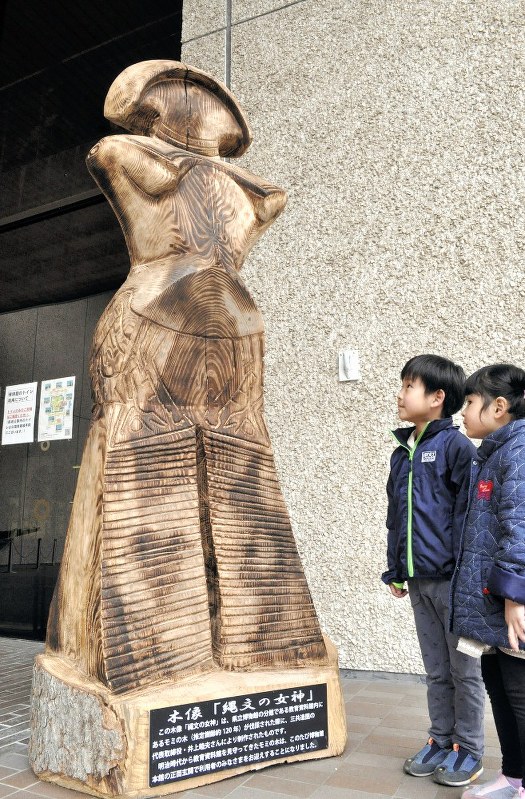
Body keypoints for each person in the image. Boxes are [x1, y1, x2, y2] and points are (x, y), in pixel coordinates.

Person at [382, 354, 485, 787]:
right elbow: (396, 515)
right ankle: (441, 739)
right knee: (436, 669)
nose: (401, 394)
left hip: (452, 581)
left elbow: (470, 517)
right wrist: (396, 570)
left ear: (437, 397)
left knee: (464, 671)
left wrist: (469, 577)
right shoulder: (401, 452)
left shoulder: (457, 448)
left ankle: (470, 748)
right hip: (418, 579)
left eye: (409, 386)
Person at [450, 364, 525, 799]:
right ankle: (513, 777)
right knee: (498, 686)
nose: (464, 412)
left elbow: (521, 524)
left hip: (513, 602)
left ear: (499, 407)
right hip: (494, 601)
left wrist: (517, 594)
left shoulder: (518, 450)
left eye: (470, 403)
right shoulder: (496, 451)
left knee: (519, 696)